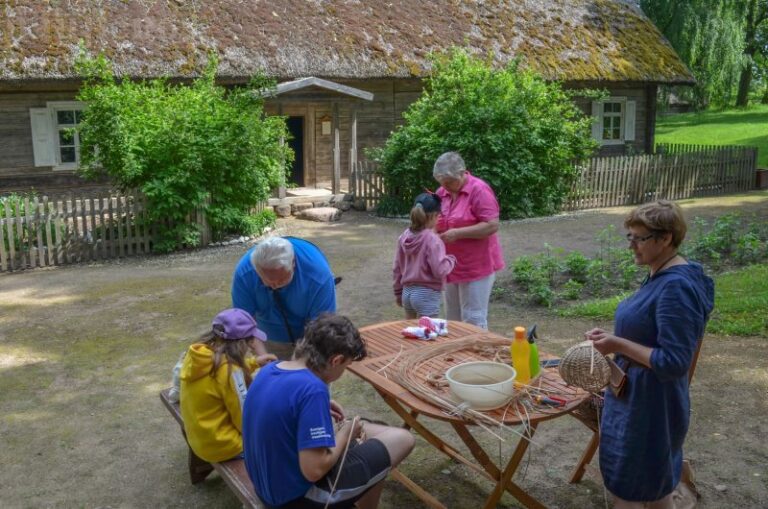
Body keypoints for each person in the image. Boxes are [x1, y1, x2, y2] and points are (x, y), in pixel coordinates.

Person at [585, 200, 714, 509]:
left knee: (632, 489)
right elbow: (652, 331)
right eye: (629, 236)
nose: (631, 246)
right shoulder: (663, 273)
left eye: (638, 238)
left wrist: (617, 345)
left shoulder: (676, 289)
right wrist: (616, 339)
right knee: (654, 487)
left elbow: (674, 361)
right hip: (639, 399)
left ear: (665, 238)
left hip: (650, 408)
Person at [242, 314, 415, 509]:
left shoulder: (270, 369)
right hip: (296, 499)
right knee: (403, 439)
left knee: (375, 433)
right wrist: (345, 433)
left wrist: (319, 407)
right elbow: (314, 470)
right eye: (346, 366)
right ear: (336, 360)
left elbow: (281, 408)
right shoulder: (313, 389)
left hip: (267, 487)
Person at [179, 308, 277, 463]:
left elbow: (222, 371)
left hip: (199, 439)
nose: (251, 347)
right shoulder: (231, 372)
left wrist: (252, 363)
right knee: (276, 442)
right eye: (250, 341)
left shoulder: (198, 355)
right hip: (223, 446)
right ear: (241, 343)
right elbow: (245, 419)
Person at [232, 236, 337, 360]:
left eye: (281, 280)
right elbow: (245, 323)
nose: (274, 286)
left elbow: (322, 328)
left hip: (311, 333)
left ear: (293, 264)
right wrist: (264, 357)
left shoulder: (319, 275)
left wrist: (297, 364)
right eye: (267, 280)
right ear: (256, 269)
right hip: (267, 335)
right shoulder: (245, 272)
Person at [432, 151, 505, 329]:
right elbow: (433, 220)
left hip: (476, 266)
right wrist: (431, 234)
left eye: (449, 182)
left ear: (462, 173)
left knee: (473, 318)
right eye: (442, 183)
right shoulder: (442, 192)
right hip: (450, 266)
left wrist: (458, 233)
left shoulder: (479, 190)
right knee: (453, 318)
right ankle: (458, 356)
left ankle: (478, 355)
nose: (445, 187)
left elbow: (491, 225)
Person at [392, 192, 456, 318]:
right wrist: (451, 260)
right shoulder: (432, 240)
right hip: (426, 294)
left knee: (410, 332)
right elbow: (439, 270)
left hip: (407, 293)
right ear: (433, 216)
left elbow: (397, 267)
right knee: (428, 333)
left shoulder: (404, 236)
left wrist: (398, 292)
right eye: (438, 216)